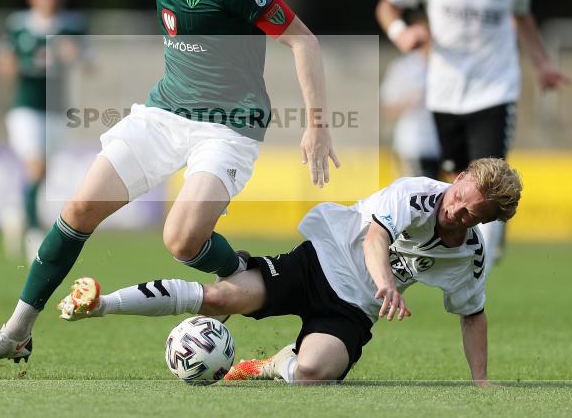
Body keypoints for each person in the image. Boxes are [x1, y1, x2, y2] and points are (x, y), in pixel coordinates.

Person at [0, 0, 339, 370]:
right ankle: (15, 332)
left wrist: (317, 124)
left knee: (181, 240)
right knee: (77, 209)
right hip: (163, 113)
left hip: (227, 126)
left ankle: (252, 278)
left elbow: (303, 40)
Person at [58, 157, 522, 386]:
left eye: (469, 214)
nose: (456, 210)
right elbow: (375, 237)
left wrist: (480, 382)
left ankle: (277, 361)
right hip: (317, 262)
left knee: (312, 375)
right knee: (220, 299)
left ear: (485, 222)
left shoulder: (471, 254)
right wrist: (387, 284)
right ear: (459, 177)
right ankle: (101, 304)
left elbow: (472, 312)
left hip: (352, 311)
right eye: (459, 196)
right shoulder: (417, 193)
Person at [375, 0, 568, 270]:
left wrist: (542, 63)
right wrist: (401, 34)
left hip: (495, 90)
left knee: (490, 174)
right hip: (445, 93)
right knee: (458, 178)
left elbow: (522, 17)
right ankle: (454, 246)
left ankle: (481, 261)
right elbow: (388, 5)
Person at [0, 0, 87, 261]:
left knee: (42, 171)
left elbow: (91, 62)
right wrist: (26, 65)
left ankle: (16, 213)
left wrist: (76, 56)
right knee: (35, 167)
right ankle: (34, 234)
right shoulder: (19, 25)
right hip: (26, 108)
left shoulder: (72, 26)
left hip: (57, 110)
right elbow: (4, 65)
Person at [379, 14, 440, 179]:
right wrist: (409, 101)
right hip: (414, 144)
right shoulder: (403, 67)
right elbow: (386, 106)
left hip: (445, 144)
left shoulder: (447, 67)